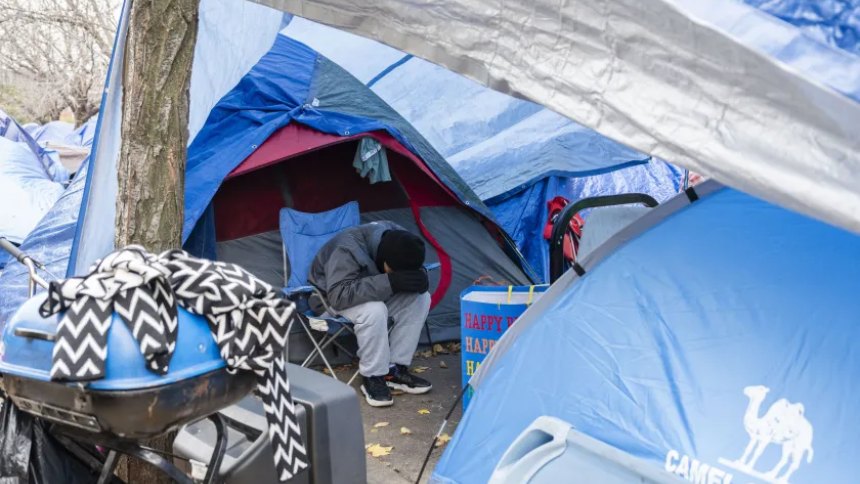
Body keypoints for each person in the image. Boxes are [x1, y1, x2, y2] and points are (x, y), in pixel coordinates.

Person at [308, 221, 432, 407]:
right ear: (383, 260)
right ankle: (373, 376)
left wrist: (418, 276)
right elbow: (338, 296)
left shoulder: (400, 236)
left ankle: (394, 370)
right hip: (329, 300)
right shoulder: (346, 248)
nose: (400, 274)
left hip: (373, 294)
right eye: (395, 270)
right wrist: (391, 281)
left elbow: (407, 269)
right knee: (374, 309)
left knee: (421, 298)